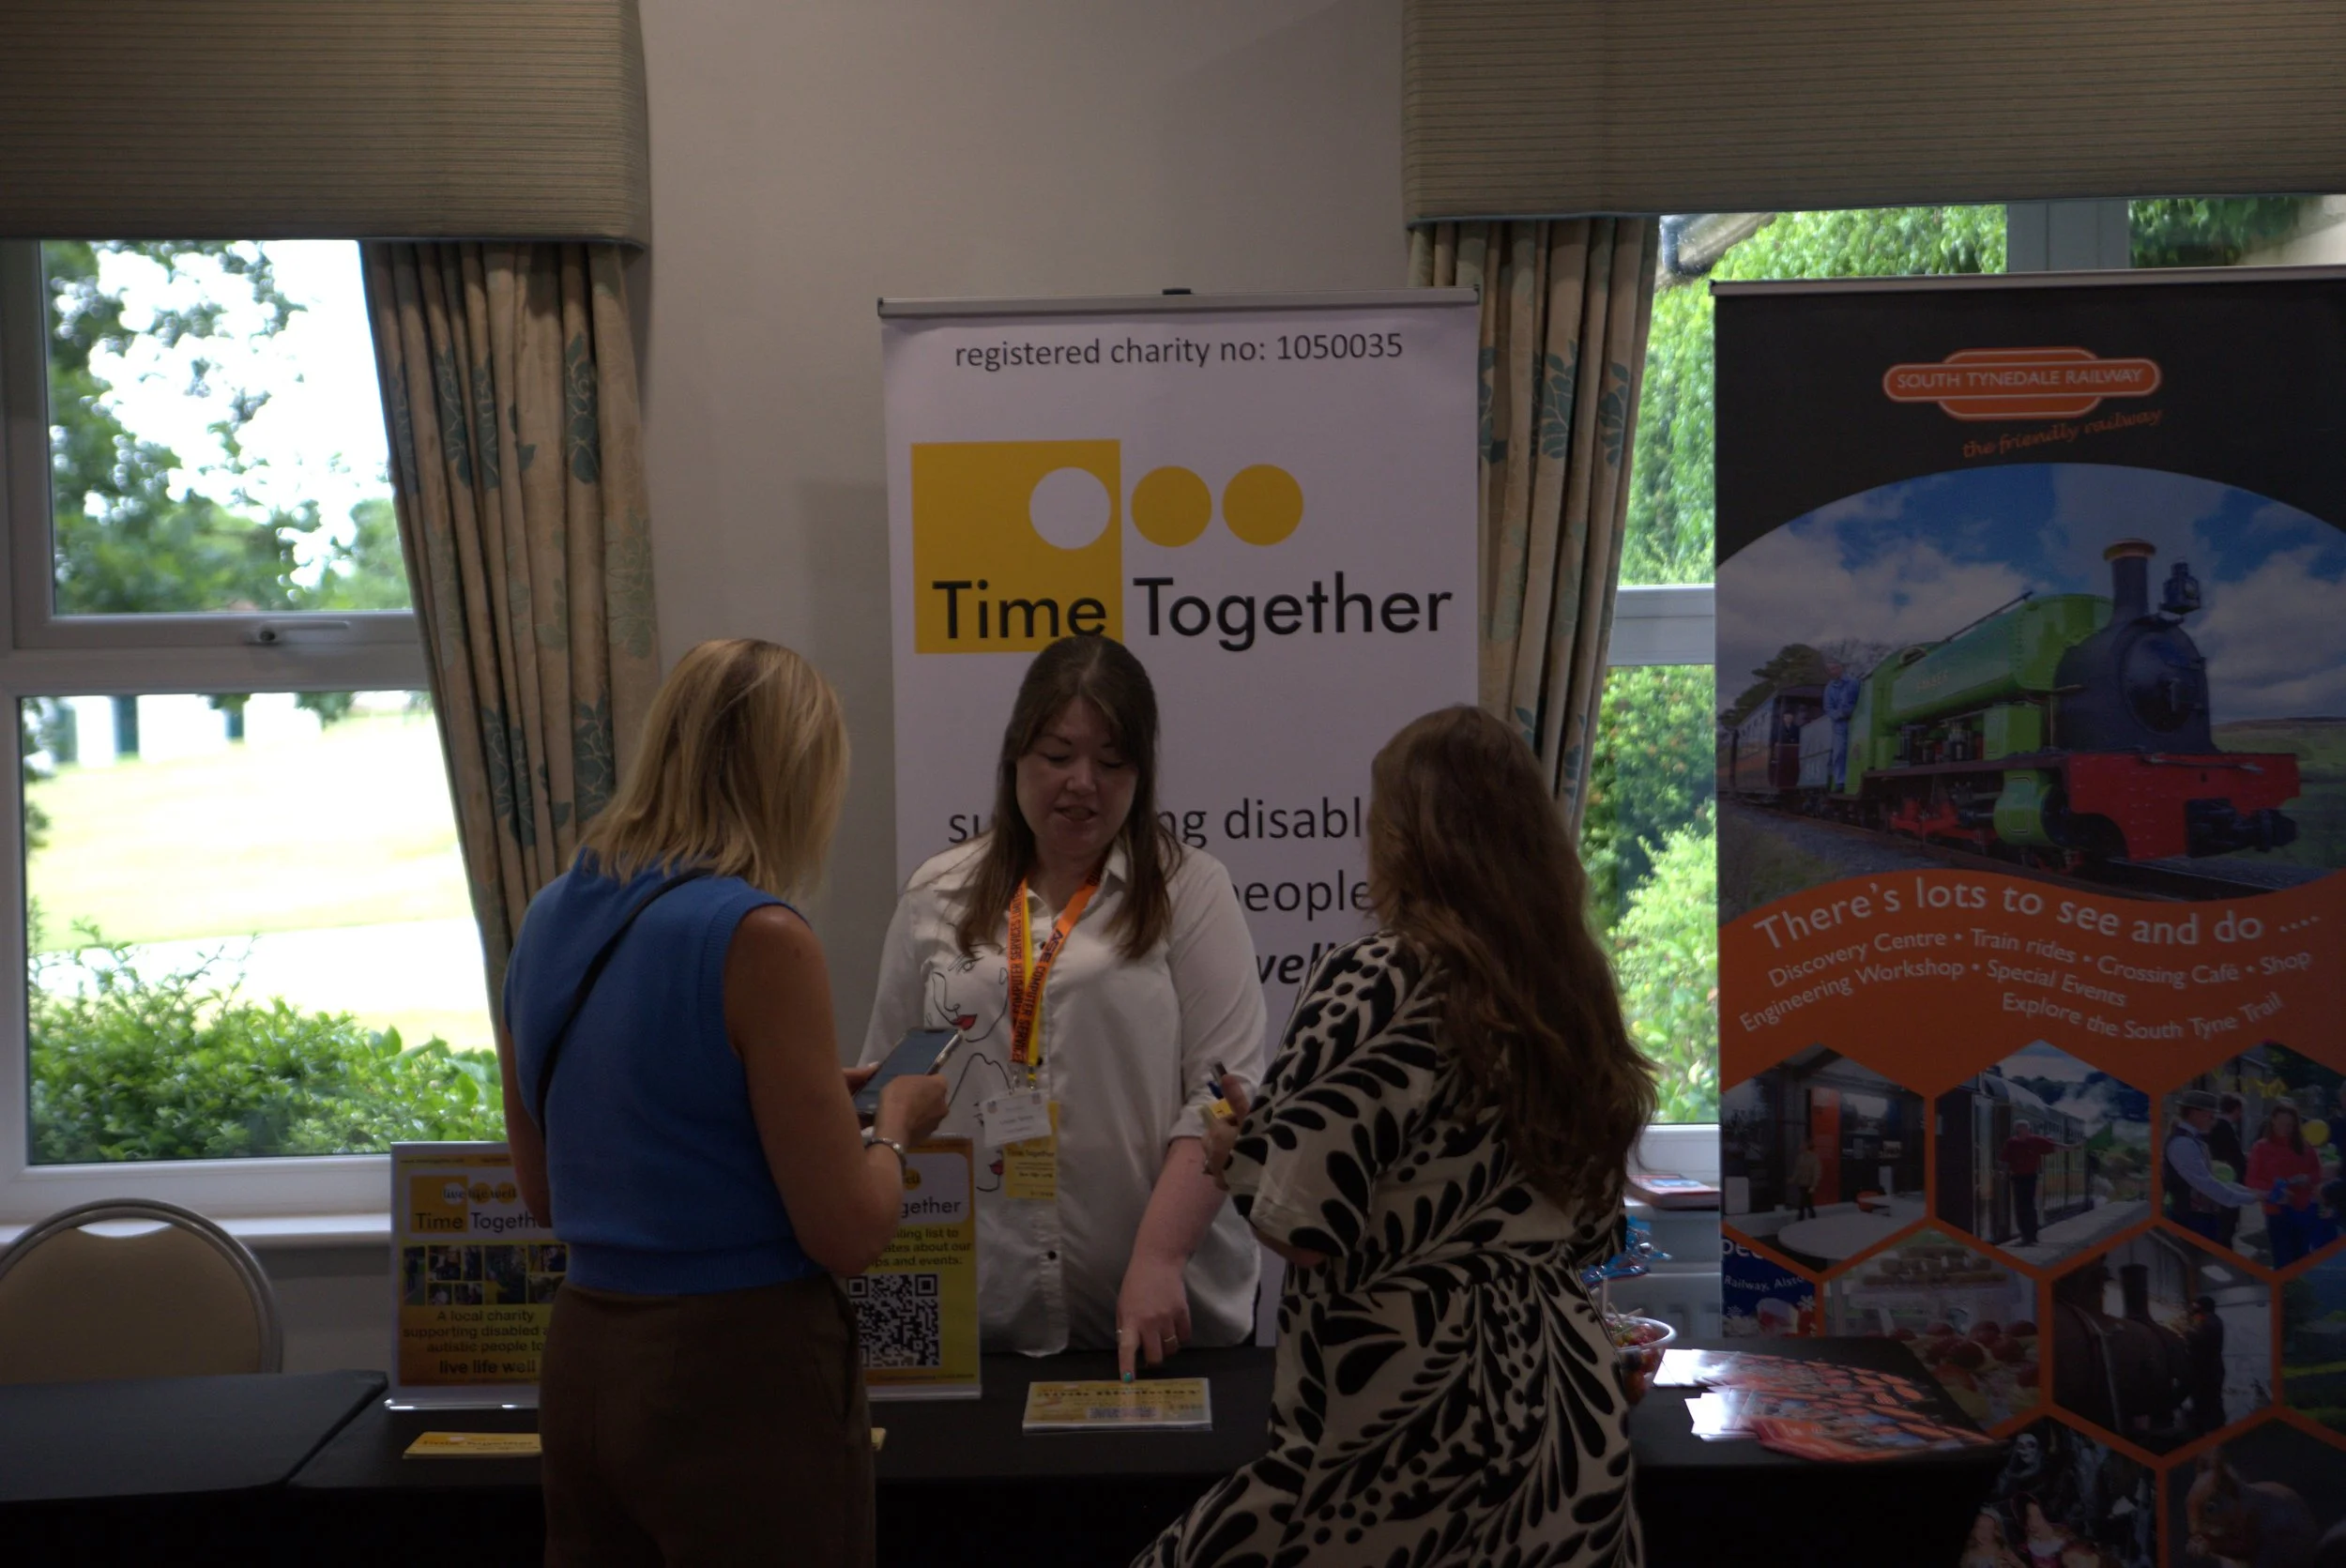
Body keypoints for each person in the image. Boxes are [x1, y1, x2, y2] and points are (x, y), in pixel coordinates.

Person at [1147, 706, 1656, 1566]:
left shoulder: (1381, 976)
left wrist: (1239, 1153)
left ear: (1405, 839)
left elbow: (1303, 1229)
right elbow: (1596, 1230)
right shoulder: (1576, 993)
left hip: (1411, 1410)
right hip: (1569, 1415)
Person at [500, 638, 951, 1568]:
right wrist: (895, 1125)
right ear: (792, 777)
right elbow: (850, 1234)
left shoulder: (548, 915)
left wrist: (790, 1107)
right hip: (738, 1378)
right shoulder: (761, 935)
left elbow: (550, 1190)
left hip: (584, 1363)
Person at [863, 634, 1265, 1375]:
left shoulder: (1192, 890)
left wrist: (1159, 1255)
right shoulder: (936, 891)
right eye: (1058, 755)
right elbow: (886, 1089)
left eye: (1112, 763)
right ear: (1016, 755)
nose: (1083, 782)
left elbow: (1222, 1100)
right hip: (984, 1317)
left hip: (1159, 1318)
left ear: (1141, 773)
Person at [2163, 1090, 2266, 1248]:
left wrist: (2250, 1192)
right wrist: (2250, 1197)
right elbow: (2205, 1184)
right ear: (2194, 1114)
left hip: (2201, 1218)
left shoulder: (2193, 1141)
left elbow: (2211, 1179)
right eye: (2210, 1116)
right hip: (2190, 1219)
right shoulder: (2183, 1144)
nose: (2213, 1122)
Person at [2246, 1105, 2325, 1268]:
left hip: (2303, 1210)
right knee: (2282, 1259)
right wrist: (2276, 1190)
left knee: (2303, 1258)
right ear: (2273, 1121)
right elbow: (2251, 1180)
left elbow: (2318, 1174)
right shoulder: (2261, 1147)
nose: (2285, 1129)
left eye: (2289, 1125)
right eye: (2281, 1123)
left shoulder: (2305, 1147)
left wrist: (2307, 1179)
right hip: (2276, 1209)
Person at [2001, 1119, 2079, 1248]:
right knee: (2020, 1208)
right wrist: (2004, 1173)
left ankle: (2031, 1236)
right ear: (2018, 1130)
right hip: (2017, 1178)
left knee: (2029, 1207)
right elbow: (2005, 1160)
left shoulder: (2036, 1140)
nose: (2025, 1130)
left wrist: (2070, 1147)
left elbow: (2053, 1145)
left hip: (2030, 1177)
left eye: (2026, 1128)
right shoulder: (2011, 1143)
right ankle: (2026, 1236)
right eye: (2022, 1128)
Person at [2184, 1296, 2226, 1436]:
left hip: (2207, 1372)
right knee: (2210, 1401)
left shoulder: (2210, 1322)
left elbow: (2198, 1338)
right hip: (2210, 1370)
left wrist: (2185, 1331)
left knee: (2207, 1402)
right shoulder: (2212, 1320)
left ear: (2201, 1307)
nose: (2193, 1307)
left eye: (2195, 1305)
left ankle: (2211, 1434)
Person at [2210, 1094, 2248, 1247]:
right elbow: (2234, 1157)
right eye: (2241, 1111)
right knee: (2226, 1229)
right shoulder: (2224, 1128)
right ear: (2237, 1109)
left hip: (2218, 1182)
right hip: (2227, 1182)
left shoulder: (2214, 1126)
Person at [1822, 659, 1862, 792]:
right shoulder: (1829, 689)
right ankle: (1840, 781)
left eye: (1835, 668)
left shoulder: (1854, 683)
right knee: (1839, 751)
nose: (1834, 671)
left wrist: (1853, 712)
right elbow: (1828, 708)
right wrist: (1839, 715)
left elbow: (1860, 700)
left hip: (1856, 719)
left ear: (1841, 667)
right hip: (1840, 723)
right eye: (1831, 669)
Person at [1790, 1137, 1821, 1220]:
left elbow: (1816, 1172)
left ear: (1807, 1146)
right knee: (1808, 1202)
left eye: (1802, 1144)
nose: (1800, 1146)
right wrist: (1793, 1179)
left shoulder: (1813, 1157)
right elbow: (1797, 1170)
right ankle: (1811, 1216)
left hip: (1809, 1184)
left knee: (1803, 1201)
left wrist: (1814, 1186)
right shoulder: (1800, 1157)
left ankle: (1801, 1217)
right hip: (1801, 1183)